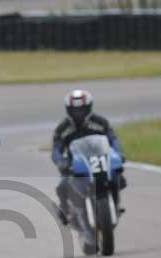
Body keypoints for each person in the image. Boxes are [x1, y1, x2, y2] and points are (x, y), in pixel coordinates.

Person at [51, 89, 125, 223]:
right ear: (68, 110)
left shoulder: (101, 122)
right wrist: (61, 162)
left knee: (117, 176)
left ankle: (115, 204)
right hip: (75, 162)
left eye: (82, 109)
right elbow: (56, 149)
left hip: (99, 158)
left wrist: (119, 153)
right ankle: (65, 210)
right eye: (75, 110)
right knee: (61, 186)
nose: (78, 113)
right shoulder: (62, 128)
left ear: (89, 108)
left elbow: (113, 139)